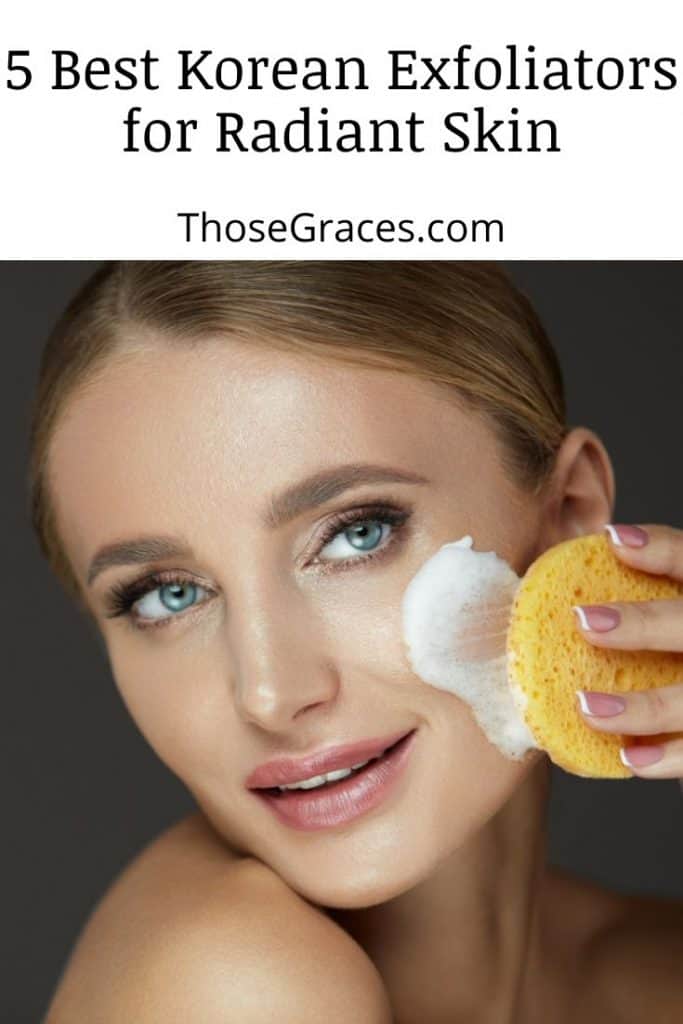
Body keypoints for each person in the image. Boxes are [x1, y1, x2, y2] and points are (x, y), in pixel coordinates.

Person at [33, 262, 683, 1023]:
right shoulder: (236, 983)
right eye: (167, 595)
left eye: (354, 536)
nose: (270, 694)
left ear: (568, 517)